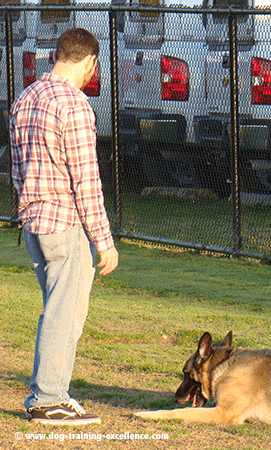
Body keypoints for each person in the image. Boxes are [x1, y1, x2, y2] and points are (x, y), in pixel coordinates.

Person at [10, 28, 119, 425]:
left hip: (34, 224)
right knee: (64, 314)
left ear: (57, 54)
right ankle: (48, 398)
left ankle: (54, 392)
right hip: (65, 224)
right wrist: (104, 242)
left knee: (56, 310)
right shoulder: (74, 105)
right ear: (90, 63)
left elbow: (17, 169)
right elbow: (86, 182)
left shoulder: (26, 98)